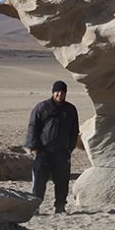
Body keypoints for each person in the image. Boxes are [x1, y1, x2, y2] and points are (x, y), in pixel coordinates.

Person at [25, 80, 80, 214]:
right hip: (43, 151)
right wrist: (33, 147)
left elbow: (74, 130)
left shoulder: (70, 109)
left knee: (62, 181)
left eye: (62, 92)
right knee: (39, 181)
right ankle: (35, 207)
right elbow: (33, 127)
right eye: (57, 92)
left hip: (62, 152)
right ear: (53, 92)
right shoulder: (43, 107)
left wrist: (70, 148)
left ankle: (60, 206)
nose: (60, 94)